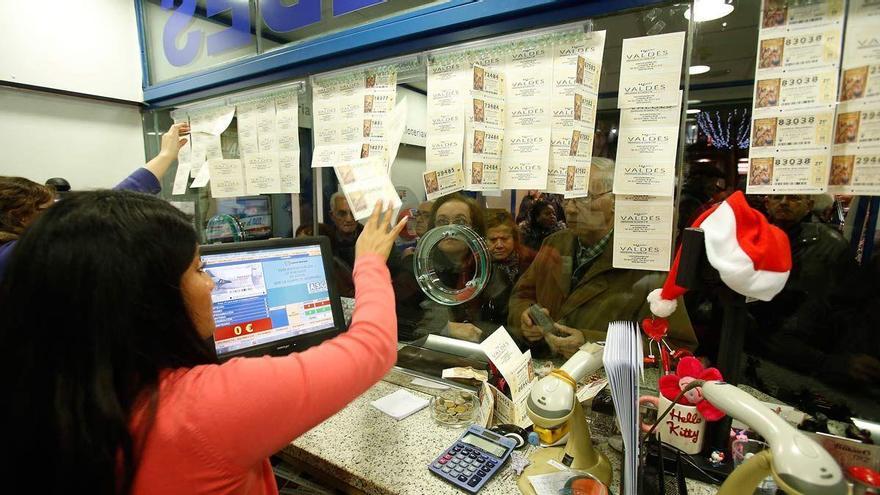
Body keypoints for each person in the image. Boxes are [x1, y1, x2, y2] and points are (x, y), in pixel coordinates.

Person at [0, 193, 405, 493]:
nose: (212, 284)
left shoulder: (41, 398)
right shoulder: (202, 408)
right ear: (148, 298)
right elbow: (374, 345)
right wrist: (368, 261)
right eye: (198, 268)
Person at [508, 158, 696, 358]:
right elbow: (521, 296)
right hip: (545, 373)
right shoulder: (554, 244)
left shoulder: (644, 258)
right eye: (567, 198)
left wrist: (593, 344)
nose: (570, 209)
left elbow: (674, 345)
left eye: (584, 197)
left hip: (604, 384)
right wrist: (525, 316)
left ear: (615, 200)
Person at [0, 122, 190, 280]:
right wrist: (165, 156)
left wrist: (165, 156)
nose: (55, 217)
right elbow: (102, 213)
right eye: (47, 210)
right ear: (18, 217)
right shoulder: (16, 256)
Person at [328, 192, 363, 268]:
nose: (349, 219)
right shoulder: (325, 241)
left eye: (353, 213)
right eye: (342, 214)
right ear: (332, 216)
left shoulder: (371, 239)